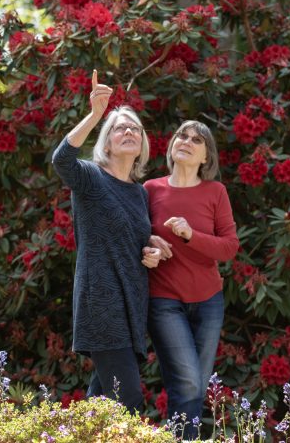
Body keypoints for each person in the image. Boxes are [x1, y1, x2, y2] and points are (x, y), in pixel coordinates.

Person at [51, 70, 164, 413]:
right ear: (107, 141)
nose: (128, 131)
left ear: (142, 143)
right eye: (119, 128)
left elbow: (138, 243)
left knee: (100, 406)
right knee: (128, 401)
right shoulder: (90, 177)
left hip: (132, 309)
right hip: (101, 306)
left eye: (135, 128)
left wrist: (153, 253)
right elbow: (61, 159)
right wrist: (95, 115)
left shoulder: (139, 194)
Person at [142, 120, 239, 440]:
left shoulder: (215, 192)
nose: (186, 141)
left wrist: (189, 235)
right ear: (172, 146)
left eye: (197, 140)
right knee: (190, 382)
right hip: (164, 300)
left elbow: (228, 248)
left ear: (206, 158)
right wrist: (151, 245)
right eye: (182, 135)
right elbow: (136, 239)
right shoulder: (150, 190)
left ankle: (181, 437)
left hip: (209, 301)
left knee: (194, 383)